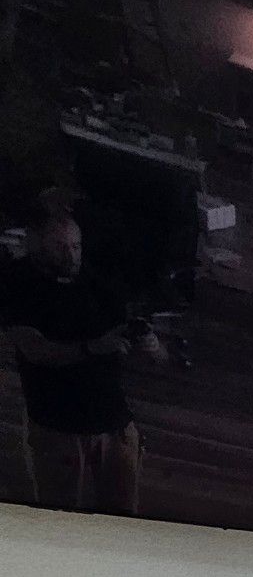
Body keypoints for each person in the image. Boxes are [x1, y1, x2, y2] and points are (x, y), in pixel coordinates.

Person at [0, 203, 159, 513]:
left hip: (113, 422)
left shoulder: (98, 285)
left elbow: (152, 356)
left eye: (76, 246)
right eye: (60, 247)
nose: (71, 256)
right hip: (57, 425)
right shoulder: (16, 285)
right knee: (59, 516)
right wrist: (91, 348)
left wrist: (151, 345)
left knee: (124, 516)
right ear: (34, 244)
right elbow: (35, 349)